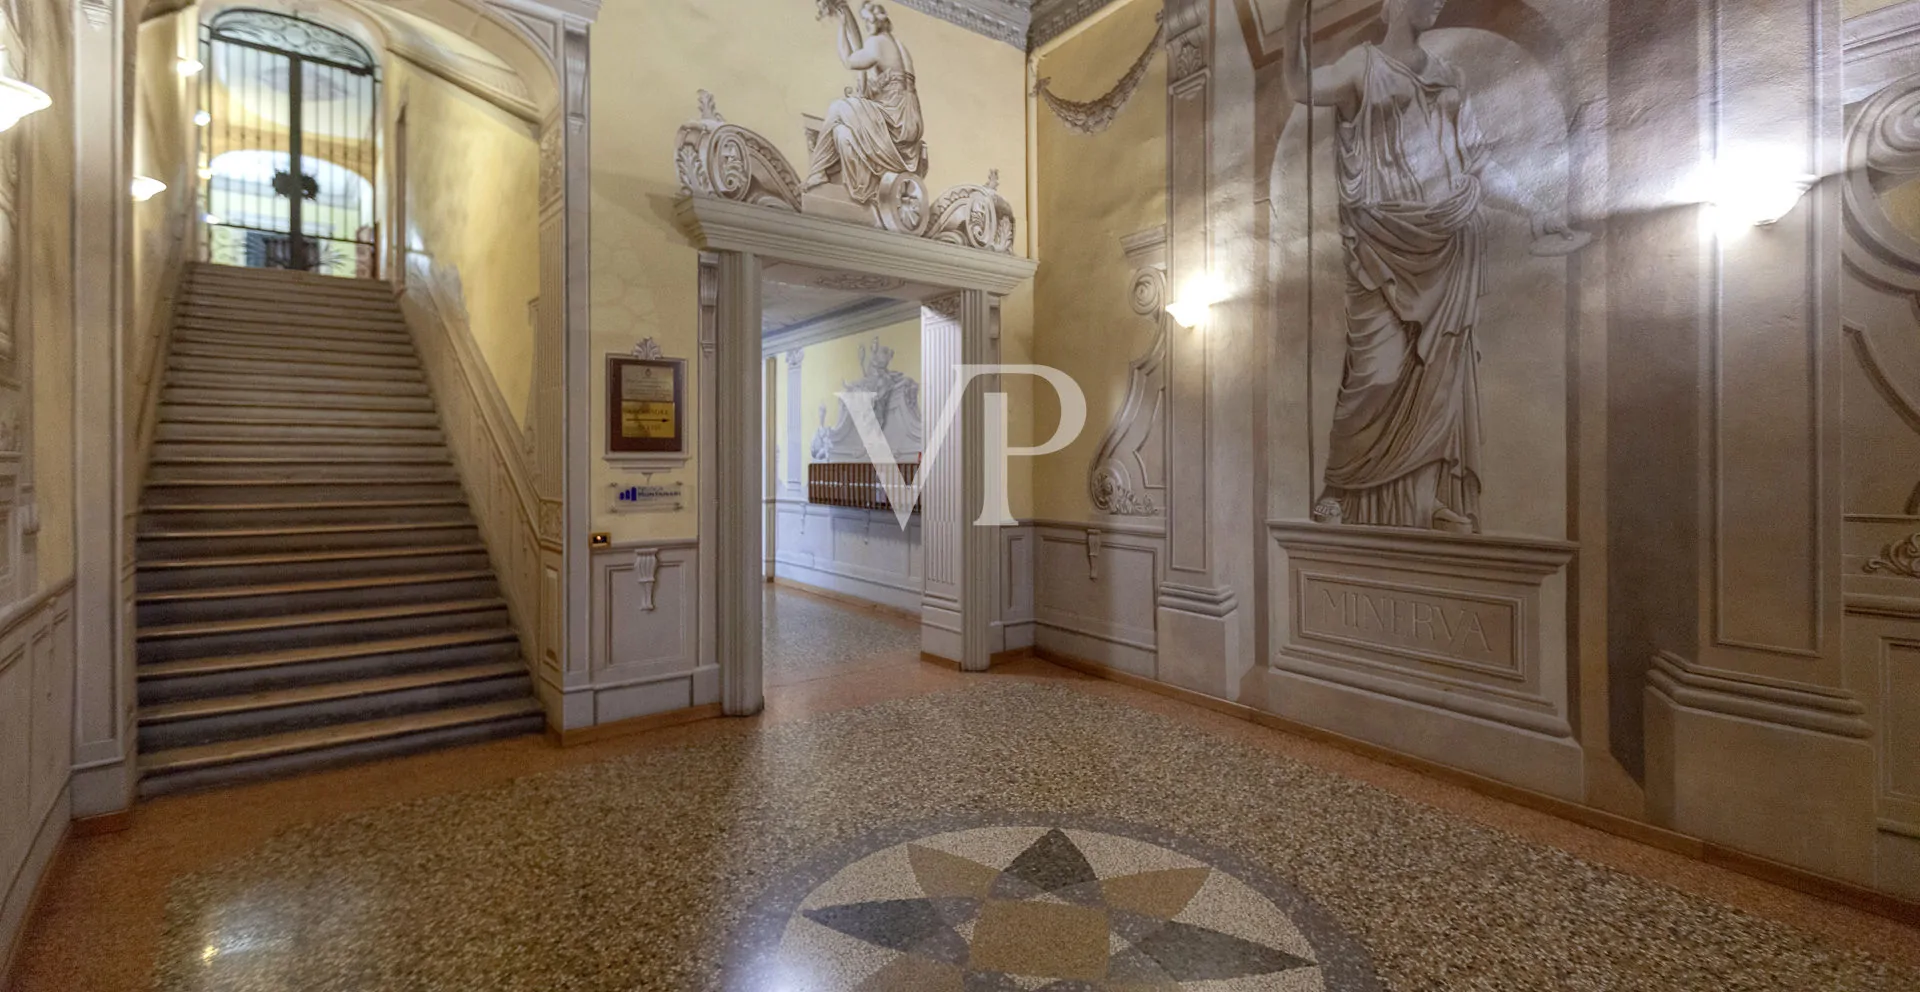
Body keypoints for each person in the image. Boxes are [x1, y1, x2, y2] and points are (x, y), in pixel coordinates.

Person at [1282, 0, 1580, 533]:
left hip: (1448, 241)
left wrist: (1535, 209)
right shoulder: (1362, 66)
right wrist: (1291, 21)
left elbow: (1477, 160)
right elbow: (1301, 84)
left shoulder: (1450, 76)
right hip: (1384, 244)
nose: (1437, 2)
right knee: (1379, 370)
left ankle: (1426, 500)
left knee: (1439, 375)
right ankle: (1340, 485)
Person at [805, 0, 923, 207]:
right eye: (865, 23)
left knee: (838, 107)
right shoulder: (898, 46)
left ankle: (817, 172)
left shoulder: (877, 43)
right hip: (910, 121)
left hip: (894, 120)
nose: (867, 26)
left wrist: (842, 26)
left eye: (868, 22)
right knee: (842, 132)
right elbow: (877, 76)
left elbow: (849, 60)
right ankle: (856, 183)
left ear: (879, 21)